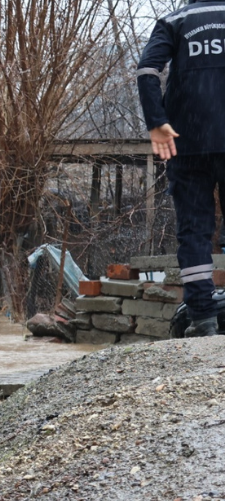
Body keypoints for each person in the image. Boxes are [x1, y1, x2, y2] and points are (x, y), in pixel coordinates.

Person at [137, 0, 225, 337]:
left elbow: (147, 70)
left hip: (185, 141)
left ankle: (203, 319)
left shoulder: (175, 20)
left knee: (194, 231)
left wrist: (157, 122)